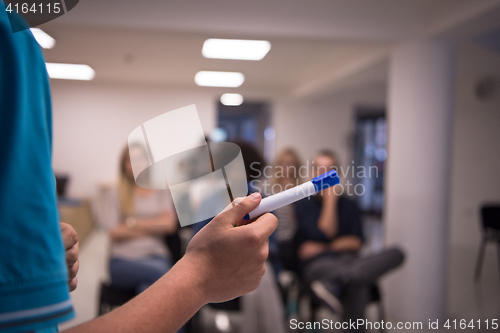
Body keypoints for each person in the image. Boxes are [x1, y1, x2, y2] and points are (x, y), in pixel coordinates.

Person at [0, 8, 277, 333]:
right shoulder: (15, 44)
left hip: (157, 260)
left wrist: (132, 226)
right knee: (156, 278)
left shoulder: (17, 41)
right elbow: (119, 230)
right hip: (136, 262)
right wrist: (197, 275)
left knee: (161, 275)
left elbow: (165, 224)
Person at [294, 150, 404, 332]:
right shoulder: (303, 204)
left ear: (336, 174)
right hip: (318, 267)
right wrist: (330, 203)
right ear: (313, 173)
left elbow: (356, 243)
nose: (323, 175)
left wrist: (322, 247)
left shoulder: (349, 204)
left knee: (397, 253)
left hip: (347, 261)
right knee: (359, 283)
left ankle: (335, 282)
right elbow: (326, 231)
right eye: (319, 169)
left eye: (328, 170)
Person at [103, 146, 178, 294]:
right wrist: (155, 227)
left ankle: (137, 317)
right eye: (130, 161)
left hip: (156, 256)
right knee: (163, 277)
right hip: (123, 260)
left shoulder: (162, 190)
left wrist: (133, 223)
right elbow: (114, 232)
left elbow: (169, 225)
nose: (136, 165)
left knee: (147, 288)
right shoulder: (114, 193)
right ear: (123, 165)